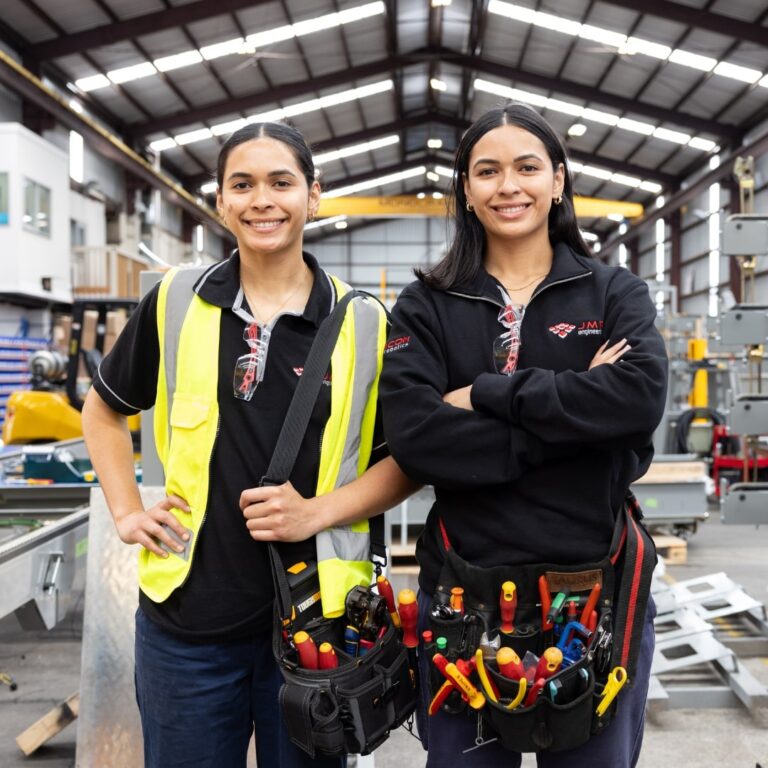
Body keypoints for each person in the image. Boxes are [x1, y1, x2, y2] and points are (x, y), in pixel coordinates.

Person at [81, 121, 417, 768]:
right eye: (243, 184)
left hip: (317, 627)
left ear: (313, 197)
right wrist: (125, 511)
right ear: (221, 201)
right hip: (187, 625)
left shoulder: (366, 322)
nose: (262, 199)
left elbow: (407, 461)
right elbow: (102, 412)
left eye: (281, 183)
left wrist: (316, 512)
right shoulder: (175, 301)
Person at [379, 102, 668, 768]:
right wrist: (575, 429)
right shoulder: (425, 305)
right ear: (466, 190)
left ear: (559, 181)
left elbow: (637, 399)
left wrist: (485, 394)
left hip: (595, 594)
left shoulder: (612, 292)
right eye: (487, 171)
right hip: (462, 599)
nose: (508, 185)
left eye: (527, 167)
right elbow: (419, 439)